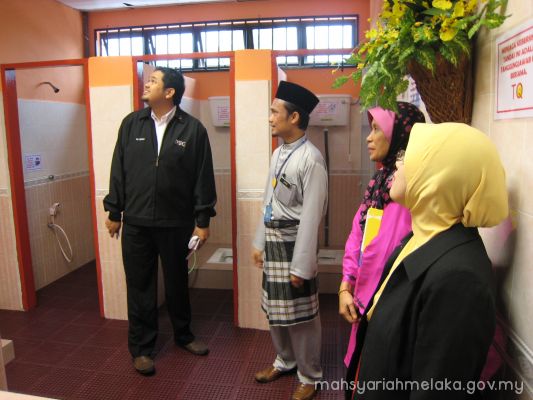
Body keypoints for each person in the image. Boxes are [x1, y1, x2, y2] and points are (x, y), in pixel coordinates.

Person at [346, 122, 508, 399]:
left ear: (438, 178)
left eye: (406, 157)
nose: (398, 164)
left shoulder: (460, 280)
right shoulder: (421, 237)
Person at [103, 67, 217, 375]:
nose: (147, 84)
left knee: (177, 282)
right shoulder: (131, 124)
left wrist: (202, 220)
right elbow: (118, 169)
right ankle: (142, 349)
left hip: (176, 222)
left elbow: (202, 177)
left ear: (169, 92)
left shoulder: (192, 129)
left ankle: (184, 335)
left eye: (153, 81)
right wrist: (114, 212)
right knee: (140, 285)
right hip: (137, 223)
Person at [252, 81, 327, 400]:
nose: (270, 117)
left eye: (274, 112)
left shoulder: (311, 159)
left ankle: (309, 375)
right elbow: (268, 199)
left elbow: (312, 216)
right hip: (273, 241)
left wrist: (302, 265)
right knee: (276, 310)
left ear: (294, 117)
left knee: (302, 316)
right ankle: (285, 360)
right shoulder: (278, 152)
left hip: (295, 245)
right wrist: (259, 241)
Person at [339, 102, 425, 366]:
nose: (369, 137)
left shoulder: (411, 191)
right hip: (363, 300)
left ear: (399, 134)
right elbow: (358, 234)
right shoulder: (379, 181)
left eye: (377, 129)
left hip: (390, 309)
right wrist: (346, 284)